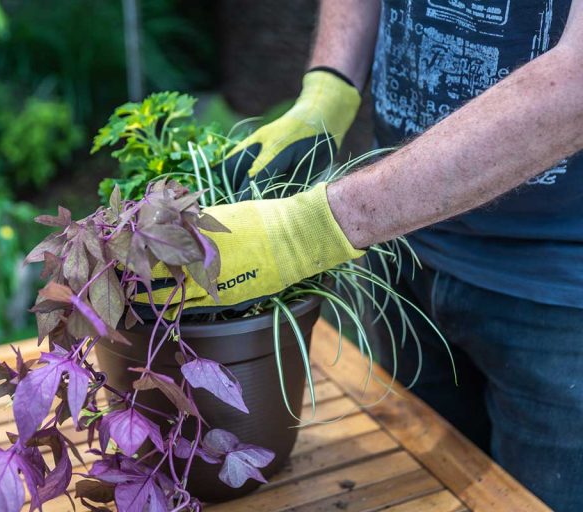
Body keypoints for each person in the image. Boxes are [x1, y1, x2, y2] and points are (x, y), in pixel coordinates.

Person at [149, 1, 583, 510]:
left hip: (558, 294)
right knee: (415, 489)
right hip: (404, 245)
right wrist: (328, 88)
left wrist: (304, 232)